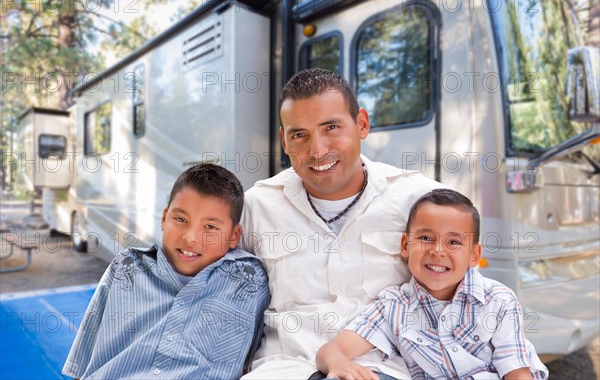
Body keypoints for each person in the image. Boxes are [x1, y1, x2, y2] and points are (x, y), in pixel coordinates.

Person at [241, 68, 442, 379]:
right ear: (283, 140)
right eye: (299, 135)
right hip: (284, 369)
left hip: (380, 369)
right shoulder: (257, 205)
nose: (317, 151)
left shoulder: (419, 200)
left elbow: (471, 296)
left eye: (331, 127)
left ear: (361, 123)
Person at [62, 164, 269, 379]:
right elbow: (83, 362)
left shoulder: (249, 281)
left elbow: (254, 362)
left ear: (234, 236)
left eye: (211, 227)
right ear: (164, 218)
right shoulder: (127, 266)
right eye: (180, 220)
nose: (191, 237)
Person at [316, 188, 549, 380]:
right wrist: (338, 363)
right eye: (426, 238)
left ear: (473, 255)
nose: (437, 251)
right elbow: (333, 350)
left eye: (454, 242)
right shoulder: (393, 307)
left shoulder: (498, 300)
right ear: (406, 245)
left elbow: (518, 374)